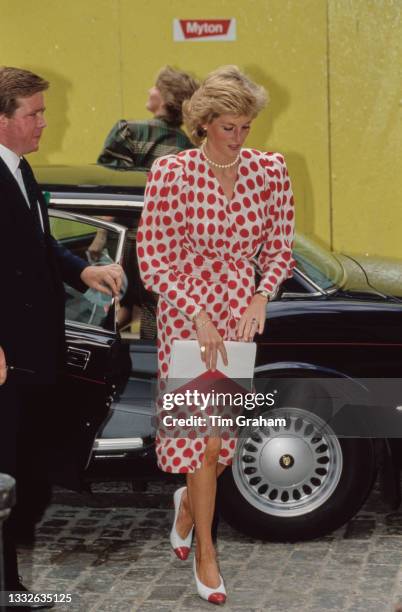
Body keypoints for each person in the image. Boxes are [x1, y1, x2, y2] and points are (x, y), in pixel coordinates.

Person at [136, 65, 295, 604]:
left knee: (221, 448)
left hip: (240, 317)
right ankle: (206, 550)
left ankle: (186, 505)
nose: (239, 137)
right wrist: (199, 314)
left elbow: (279, 249)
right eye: (229, 127)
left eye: (246, 126)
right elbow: (153, 260)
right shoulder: (172, 173)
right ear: (203, 123)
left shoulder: (270, 170)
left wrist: (260, 295)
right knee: (204, 444)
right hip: (187, 317)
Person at [0, 66, 124, 610]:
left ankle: (9, 587)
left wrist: (83, 272)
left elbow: (40, 246)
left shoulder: (20, 171)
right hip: (4, 355)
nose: (44, 123)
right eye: (34, 114)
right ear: (2, 119)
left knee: (13, 473)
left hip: (31, 351)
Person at [97, 65, 198, 170]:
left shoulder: (128, 132)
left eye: (156, 87)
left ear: (166, 98)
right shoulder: (189, 148)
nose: (149, 91)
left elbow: (111, 178)